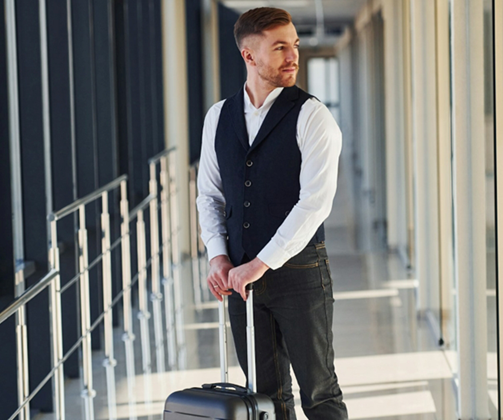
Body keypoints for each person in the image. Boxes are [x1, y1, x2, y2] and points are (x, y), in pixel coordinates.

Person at [196, 7, 347, 419]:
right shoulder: (218, 118)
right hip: (240, 279)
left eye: (294, 45)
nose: (292, 55)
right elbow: (209, 195)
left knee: (320, 393)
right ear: (249, 56)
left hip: (300, 275)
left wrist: (259, 264)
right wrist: (218, 255)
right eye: (280, 47)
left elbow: (314, 203)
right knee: (264, 397)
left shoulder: (313, 117)